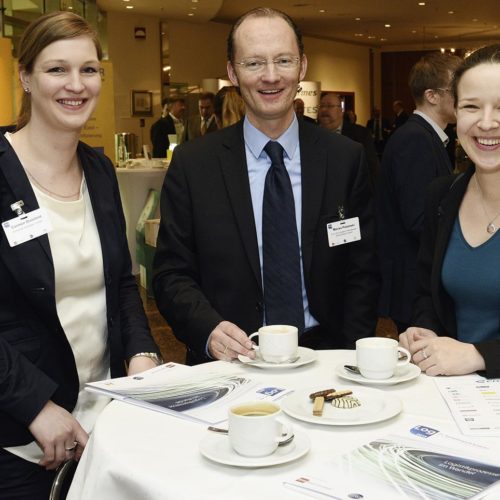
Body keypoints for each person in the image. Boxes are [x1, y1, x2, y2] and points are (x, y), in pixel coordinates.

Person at [153, 7, 379, 365]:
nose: (270, 77)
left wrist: (347, 352)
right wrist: (208, 330)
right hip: (230, 359)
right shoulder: (194, 165)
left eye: (283, 61)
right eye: (254, 63)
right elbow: (171, 273)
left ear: (302, 67)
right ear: (232, 72)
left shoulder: (344, 159)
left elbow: (362, 268)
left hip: (327, 356)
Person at [0, 12, 160, 498]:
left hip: (104, 427)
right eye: (57, 69)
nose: (76, 85)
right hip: (23, 441)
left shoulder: (99, 170)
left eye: (89, 69)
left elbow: (122, 283)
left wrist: (142, 354)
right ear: (25, 76)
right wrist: (35, 407)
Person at [400, 45, 500, 378]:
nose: (486, 123)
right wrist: (425, 331)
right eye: (472, 106)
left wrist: (479, 355)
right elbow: (428, 295)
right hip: (456, 402)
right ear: (455, 111)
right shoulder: (444, 195)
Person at [376, 53, 461, 333]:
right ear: (432, 96)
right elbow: (419, 219)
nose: (463, 98)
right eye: (456, 90)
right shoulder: (415, 139)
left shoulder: (428, 137)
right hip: (413, 283)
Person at [318, 92, 379, 185]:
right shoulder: (311, 136)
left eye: (330, 106)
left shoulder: (361, 135)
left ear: (341, 110)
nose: (324, 110)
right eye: (321, 106)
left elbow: (373, 171)